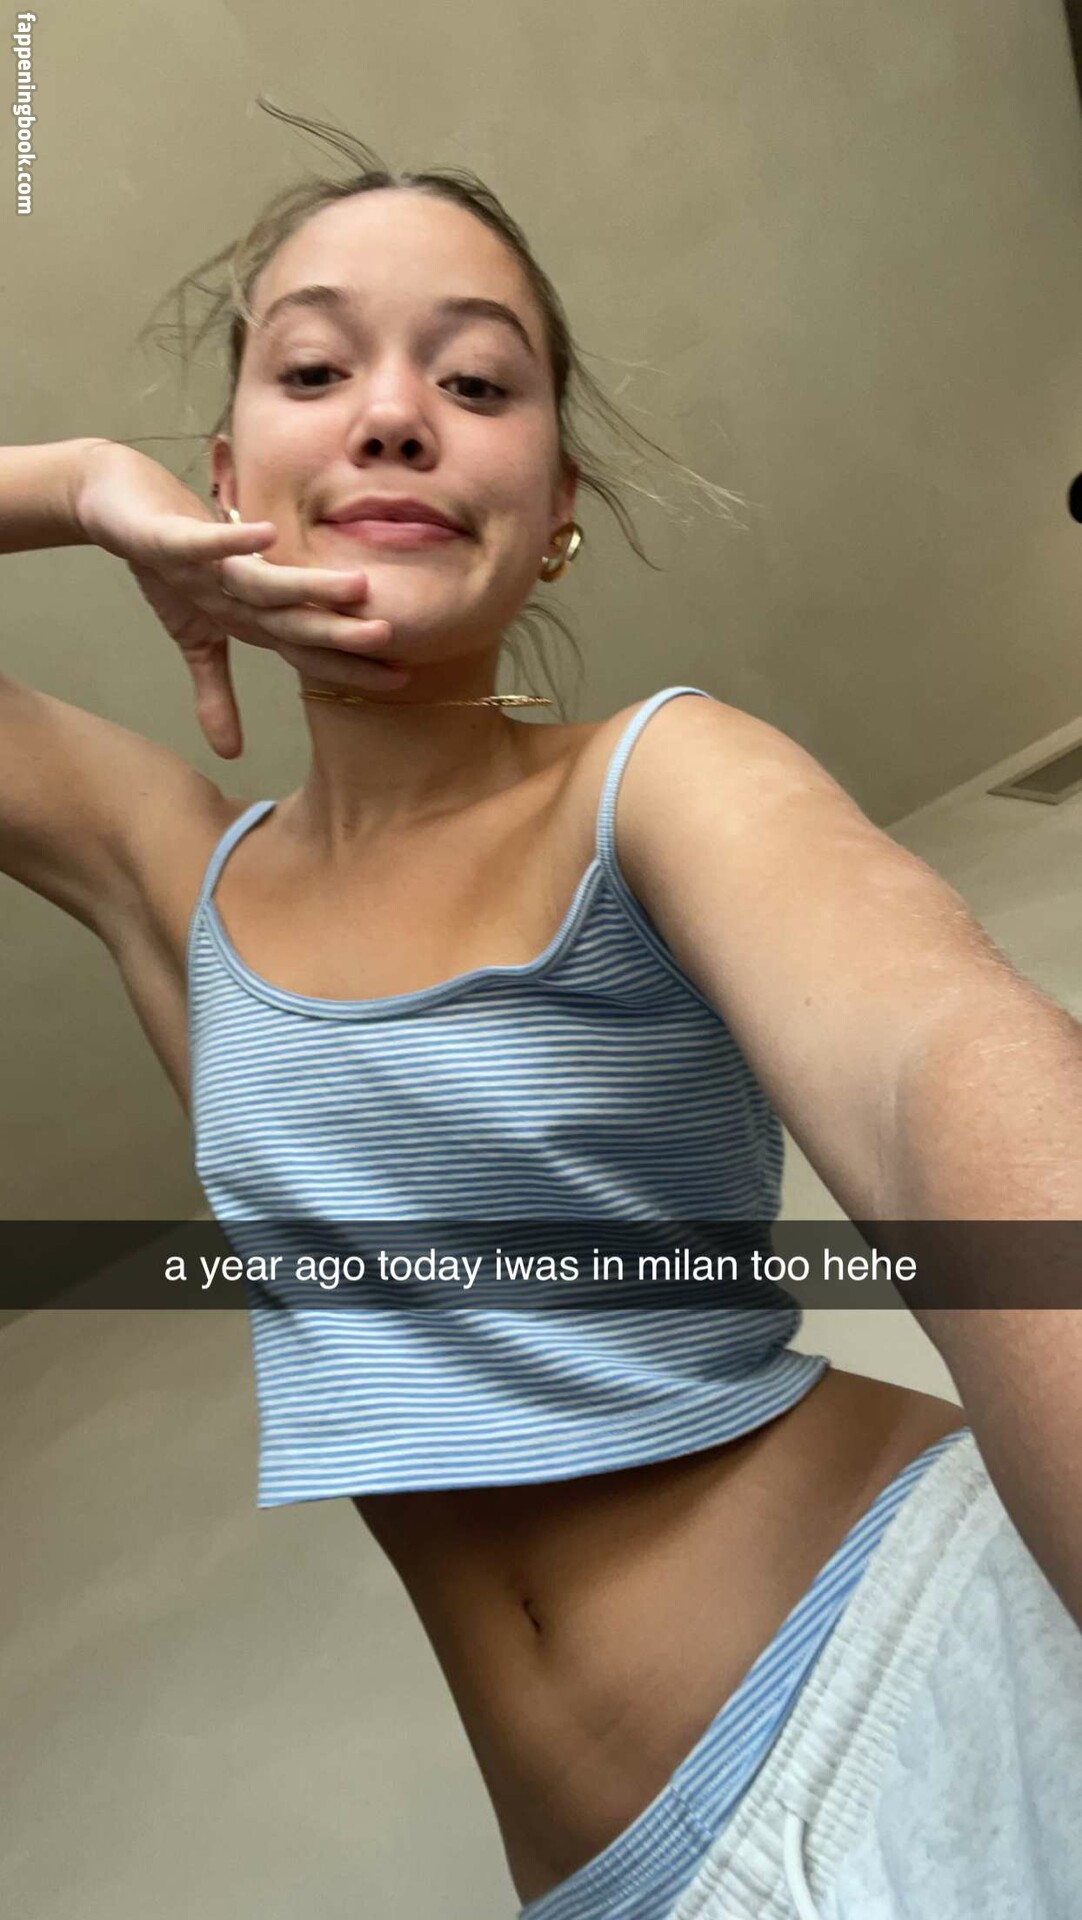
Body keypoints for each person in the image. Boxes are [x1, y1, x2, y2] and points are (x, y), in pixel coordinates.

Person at [2, 115, 1080, 1919]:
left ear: (558, 501)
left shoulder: (659, 781)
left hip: (922, 1670)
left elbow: (935, 1065)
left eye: (477, 379)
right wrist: (80, 484)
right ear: (225, 476)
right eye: (315, 367)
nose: (393, 412)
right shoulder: (171, 878)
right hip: (609, 1880)